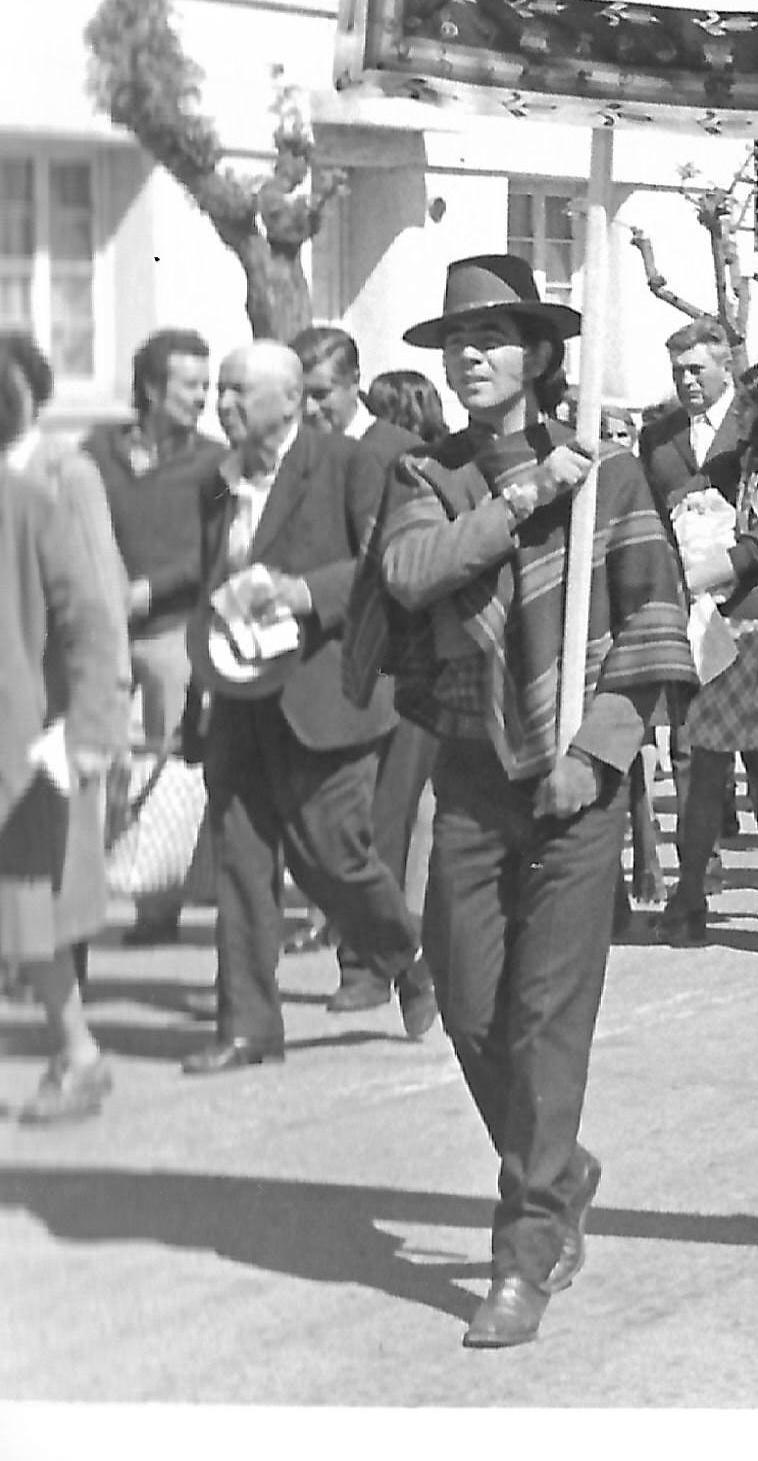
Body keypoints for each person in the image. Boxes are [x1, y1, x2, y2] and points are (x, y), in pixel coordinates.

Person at [354, 254, 696, 1348]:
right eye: (459, 339)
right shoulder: (432, 472)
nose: (471, 354)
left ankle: (526, 1246)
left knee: (549, 1020)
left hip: (578, 782)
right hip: (471, 768)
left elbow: (653, 625)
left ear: (541, 355)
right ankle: (561, 1169)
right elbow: (414, 573)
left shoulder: (611, 475)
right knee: (465, 1004)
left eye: (495, 337)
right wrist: (524, 494)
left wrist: (595, 754)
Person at [183, 341, 432, 1076]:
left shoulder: (349, 465)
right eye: (220, 390)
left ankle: (405, 954)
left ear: (290, 400)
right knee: (240, 862)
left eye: (239, 391)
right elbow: (209, 586)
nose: (223, 404)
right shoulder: (218, 480)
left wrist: (306, 593)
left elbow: (385, 565)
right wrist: (199, 694)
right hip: (238, 696)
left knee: (331, 857)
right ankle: (248, 1028)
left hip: (325, 694)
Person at [0, 341, 132, 1125]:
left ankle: (78, 1055)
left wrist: (92, 726)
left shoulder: (30, 504)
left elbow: (89, 617)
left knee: (28, 909)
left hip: (16, 746)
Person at [292, 324, 432, 1017]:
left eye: (322, 393)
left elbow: (389, 566)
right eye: (299, 394)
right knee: (328, 827)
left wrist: (303, 593)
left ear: (354, 385)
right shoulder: (303, 454)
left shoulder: (392, 454)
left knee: (380, 822)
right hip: (328, 667)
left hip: (399, 668)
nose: (310, 407)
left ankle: (373, 967)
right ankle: (396, 959)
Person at [662, 361, 758, 937]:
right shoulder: (731, 463)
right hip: (721, 624)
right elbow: (684, 500)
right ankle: (691, 890)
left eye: (748, 404)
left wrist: (696, 574)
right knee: (706, 756)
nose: (739, 414)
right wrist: (686, 517)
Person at [80, 326, 222, 945]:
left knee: (170, 770)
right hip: (102, 633)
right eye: (190, 385)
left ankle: (157, 905)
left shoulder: (216, 462)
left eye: (206, 385)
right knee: (97, 760)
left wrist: (152, 589)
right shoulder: (96, 451)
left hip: (173, 633)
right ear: (152, 389)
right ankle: (84, 893)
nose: (202, 397)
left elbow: (220, 549)